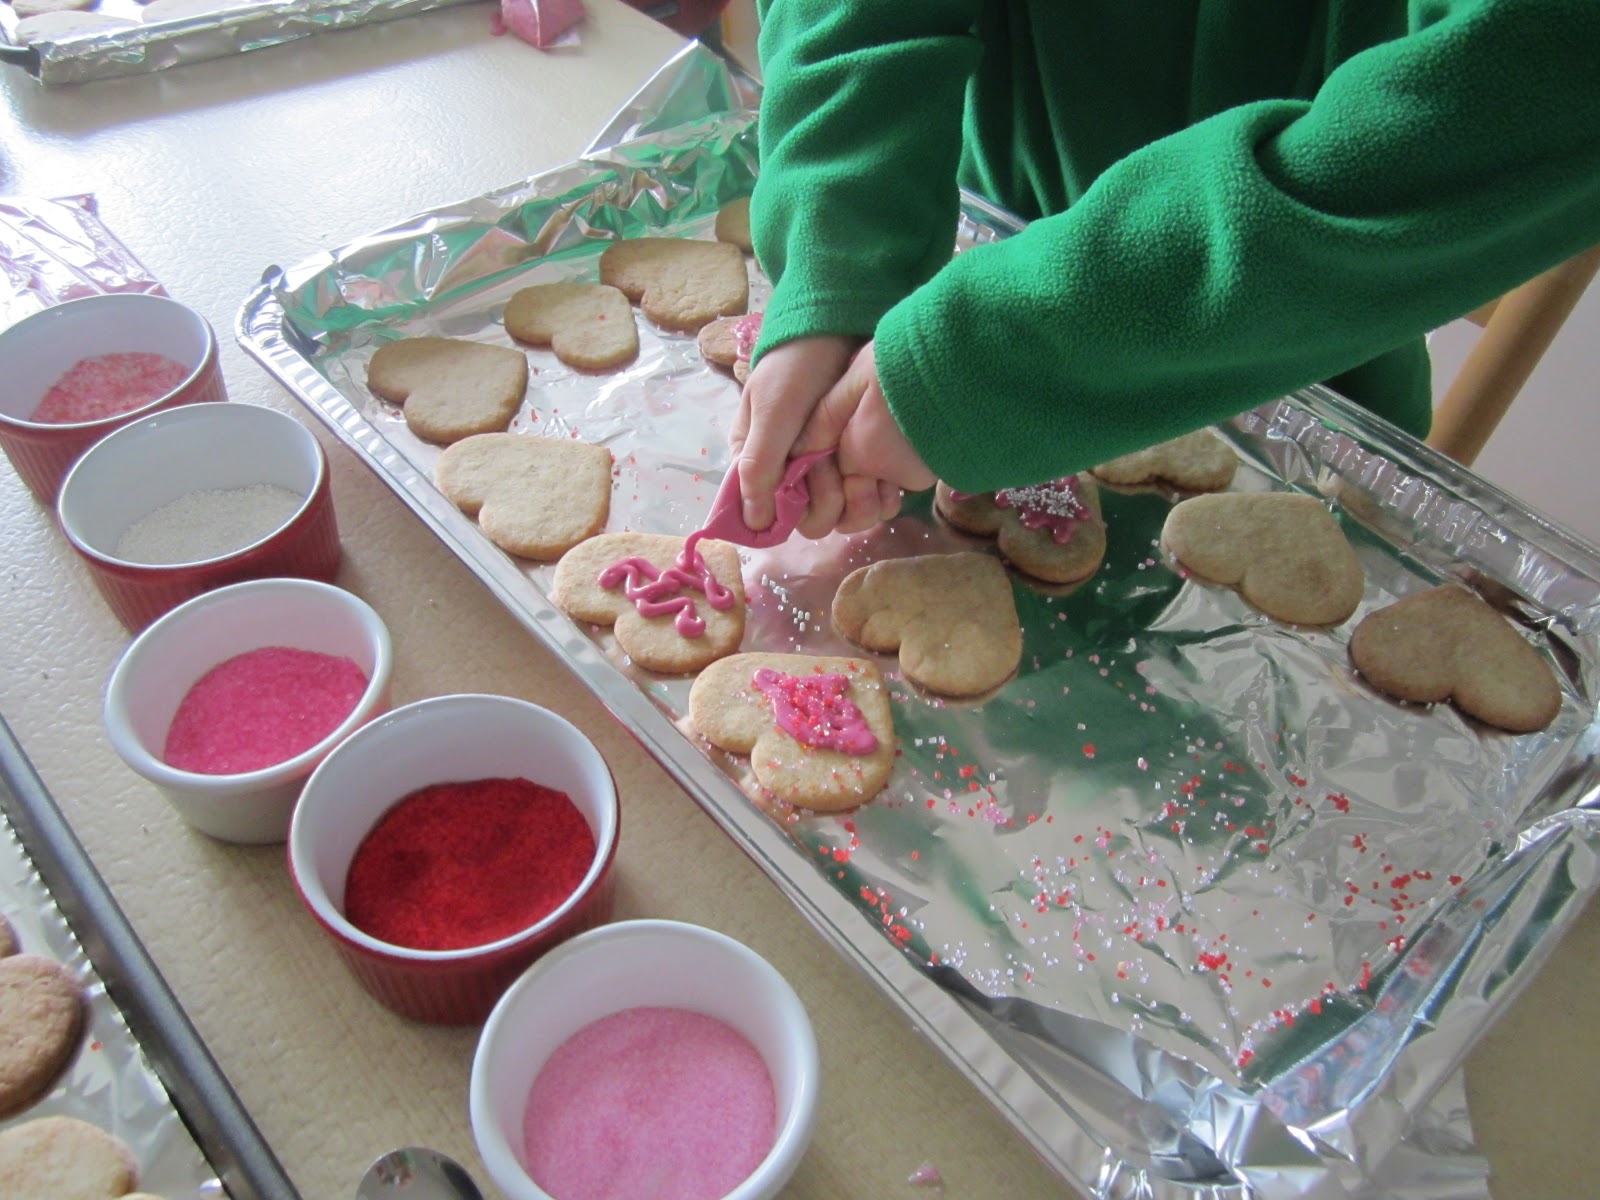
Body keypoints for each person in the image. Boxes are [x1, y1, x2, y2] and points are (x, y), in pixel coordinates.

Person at [729, 1, 1600, 540]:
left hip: (1302, 368)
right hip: (941, 307)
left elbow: (1520, 81)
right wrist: (838, 254)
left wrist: (991, 358)